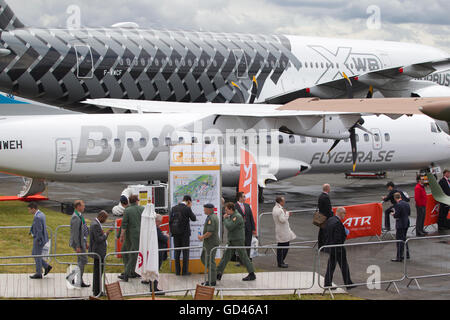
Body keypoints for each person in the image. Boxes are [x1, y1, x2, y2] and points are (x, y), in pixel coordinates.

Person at [217, 202, 256, 282]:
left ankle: (252, 274)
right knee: (225, 257)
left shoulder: (237, 216)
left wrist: (225, 219)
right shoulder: (232, 216)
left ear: (231, 209)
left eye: (226, 209)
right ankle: (218, 273)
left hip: (238, 240)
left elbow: (230, 226)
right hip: (232, 240)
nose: (225, 211)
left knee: (244, 257)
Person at [323, 207, 355, 290]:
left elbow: (325, 232)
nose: (345, 215)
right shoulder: (337, 222)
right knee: (344, 266)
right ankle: (348, 283)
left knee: (331, 266)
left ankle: (327, 284)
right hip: (338, 248)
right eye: (345, 213)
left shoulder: (330, 220)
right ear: (341, 213)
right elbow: (338, 238)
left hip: (331, 247)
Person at [169, 195, 197, 276]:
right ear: (188, 201)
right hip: (185, 235)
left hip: (175, 234)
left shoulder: (174, 208)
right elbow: (194, 218)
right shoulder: (187, 208)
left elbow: (170, 220)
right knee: (185, 252)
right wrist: (189, 207)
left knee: (177, 252)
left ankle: (177, 272)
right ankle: (184, 272)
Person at [119, 194, 144, 282]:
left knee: (132, 254)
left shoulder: (127, 210)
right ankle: (130, 271)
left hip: (130, 236)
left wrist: (121, 236)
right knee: (129, 253)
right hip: (138, 235)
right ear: (137, 200)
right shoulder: (142, 209)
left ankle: (127, 273)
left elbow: (124, 224)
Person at [89, 210, 113, 296]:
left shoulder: (95, 223)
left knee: (98, 272)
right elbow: (99, 239)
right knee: (98, 273)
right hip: (98, 252)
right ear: (101, 217)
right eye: (105, 218)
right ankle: (97, 291)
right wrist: (106, 234)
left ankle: (97, 290)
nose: (105, 221)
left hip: (99, 252)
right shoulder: (95, 224)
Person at [69, 200, 90, 287]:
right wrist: (78, 246)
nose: (84, 207)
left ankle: (77, 280)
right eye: (83, 206)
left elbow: (83, 231)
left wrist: (86, 241)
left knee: (80, 261)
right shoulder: (75, 217)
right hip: (79, 244)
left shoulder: (80, 216)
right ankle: (74, 278)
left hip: (82, 242)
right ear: (78, 206)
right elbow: (75, 233)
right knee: (83, 260)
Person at [28, 202, 52, 279]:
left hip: (39, 239)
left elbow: (39, 230)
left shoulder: (37, 217)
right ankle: (46, 266)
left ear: (33, 209)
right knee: (34, 254)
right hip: (42, 238)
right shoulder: (41, 214)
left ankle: (39, 273)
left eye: (29, 210)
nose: (29, 211)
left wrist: (38, 240)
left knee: (37, 255)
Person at [198, 203, 220, 286]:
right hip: (208, 243)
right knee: (204, 258)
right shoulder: (211, 217)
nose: (204, 210)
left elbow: (210, 232)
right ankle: (212, 276)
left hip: (211, 243)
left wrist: (202, 237)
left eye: (205, 209)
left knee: (210, 261)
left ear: (209, 209)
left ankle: (212, 280)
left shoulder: (211, 218)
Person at [272, 196, 296, 268]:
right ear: (280, 202)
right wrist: (287, 214)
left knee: (280, 246)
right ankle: (280, 262)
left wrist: (285, 213)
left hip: (280, 230)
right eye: (283, 201)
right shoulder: (279, 210)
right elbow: (282, 220)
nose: (284, 202)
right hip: (283, 231)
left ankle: (280, 261)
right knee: (285, 246)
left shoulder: (275, 208)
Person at [147, 213, 168, 295]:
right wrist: (166, 237)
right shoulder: (156, 229)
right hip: (157, 251)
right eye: (160, 222)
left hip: (155, 251)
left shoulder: (153, 228)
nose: (161, 223)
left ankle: (153, 287)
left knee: (154, 269)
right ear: (157, 221)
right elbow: (163, 239)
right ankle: (154, 288)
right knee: (155, 269)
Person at [235, 192, 256, 261]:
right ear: (240, 198)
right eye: (244, 197)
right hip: (239, 229)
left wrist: (253, 228)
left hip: (248, 228)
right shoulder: (235, 206)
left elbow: (251, 217)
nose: (245, 198)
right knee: (241, 244)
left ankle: (247, 259)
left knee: (248, 244)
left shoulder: (247, 205)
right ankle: (240, 260)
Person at [391, 192, 411, 262]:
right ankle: (407, 254)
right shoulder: (406, 203)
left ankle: (399, 256)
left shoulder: (398, 205)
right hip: (406, 222)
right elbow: (409, 213)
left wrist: (393, 214)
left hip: (400, 224)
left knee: (399, 240)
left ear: (395, 198)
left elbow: (397, 215)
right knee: (404, 238)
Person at [317, 184, 333, 249]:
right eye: (329, 188)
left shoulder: (321, 196)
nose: (330, 189)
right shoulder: (326, 197)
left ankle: (320, 246)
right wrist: (332, 216)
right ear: (327, 189)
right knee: (325, 233)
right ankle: (324, 247)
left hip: (321, 216)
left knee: (321, 232)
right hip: (325, 217)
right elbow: (328, 208)